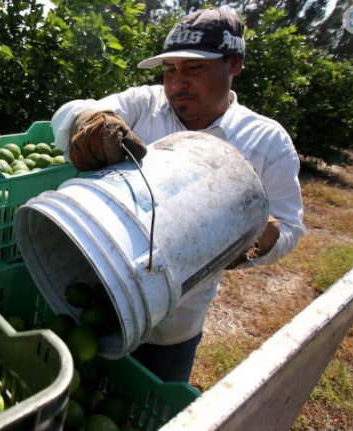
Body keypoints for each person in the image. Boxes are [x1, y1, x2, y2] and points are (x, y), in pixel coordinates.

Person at [50, 8, 306, 382]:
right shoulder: (146, 105)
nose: (176, 83)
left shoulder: (265, 142)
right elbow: (72, 112)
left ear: (234, 64)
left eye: (194, 68)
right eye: (170, 70)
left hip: (175, 322)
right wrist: (89, 122)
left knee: (154, 393)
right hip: (96, 287)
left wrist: (257, 238)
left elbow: (290, 228)